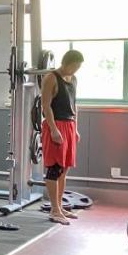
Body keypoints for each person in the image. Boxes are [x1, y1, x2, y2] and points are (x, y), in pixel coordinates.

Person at [40, 49, 83, 225]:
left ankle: (59, 206)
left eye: (79, 67)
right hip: (56, 124)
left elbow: (74, 104)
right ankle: (54, 210)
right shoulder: (51, 78)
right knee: (55, 168)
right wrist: (53, 129)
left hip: (69, 125)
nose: (76, 69)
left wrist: (75, 129)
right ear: (66, 63)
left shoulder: (73, 79)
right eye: (74, 66)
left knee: (64, 169)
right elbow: (46, 105)